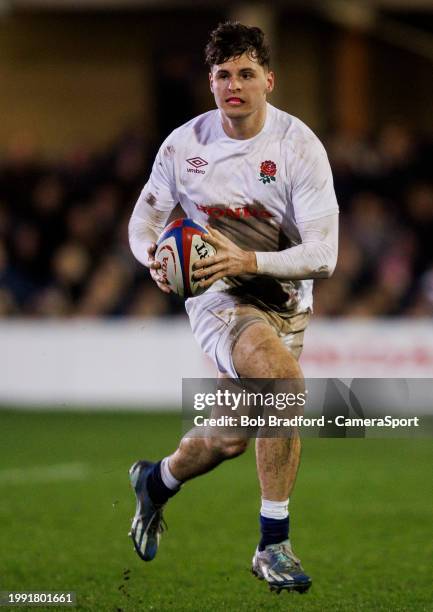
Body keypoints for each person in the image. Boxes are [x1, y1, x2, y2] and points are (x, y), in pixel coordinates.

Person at [128, 21, 339, 594]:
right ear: (211, 82)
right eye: (223, 75)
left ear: (269, 79)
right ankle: (274, 545)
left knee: (231, 436)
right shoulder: (184, 145)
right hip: (217, 296)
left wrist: (250, 262)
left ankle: (157, 480)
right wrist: (150, 254)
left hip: (284, 296)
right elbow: (145, 219)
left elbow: (324, 254)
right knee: (283, 383)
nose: (234, 85)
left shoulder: (298, 147)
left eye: (246, 73)